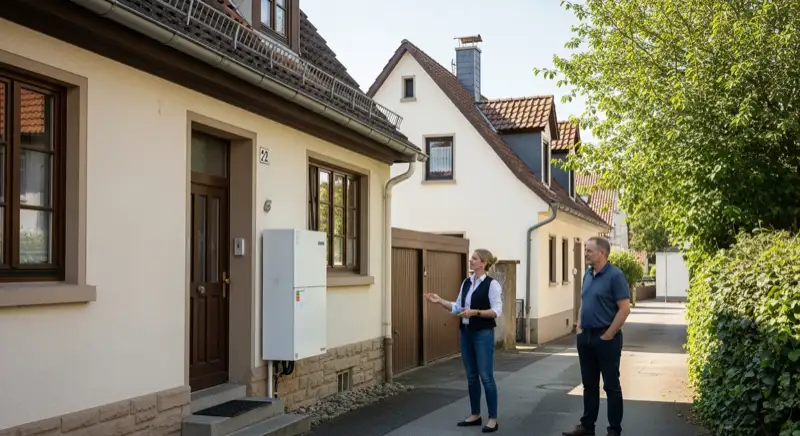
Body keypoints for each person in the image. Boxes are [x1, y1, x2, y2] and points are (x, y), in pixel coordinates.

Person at [424, 248, 502, 433]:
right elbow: (458, 307)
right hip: (466, 332)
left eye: (474, 259)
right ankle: (475, 415)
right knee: (471, 376)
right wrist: (440, 300)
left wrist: (475, 312)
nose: (471, 261)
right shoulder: (467, 282)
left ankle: (492, 418)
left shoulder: (492, 285)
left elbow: (497, 311)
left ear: (483, 263)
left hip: (483, 333)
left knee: (486, 376)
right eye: (471, 259)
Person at [563, 236, 631, 436]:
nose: (585, 253)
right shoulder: (588, 274)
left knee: (611, 386)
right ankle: (587, 427)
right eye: (585, 250)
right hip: (586, 338)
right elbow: (584, 301)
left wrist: (609, 334)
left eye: (589, 250)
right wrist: (579, 327)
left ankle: (614, 430)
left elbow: (624, 309)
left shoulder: (615, 276)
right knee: (589, 385)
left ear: (602, 253)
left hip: (606, 338)